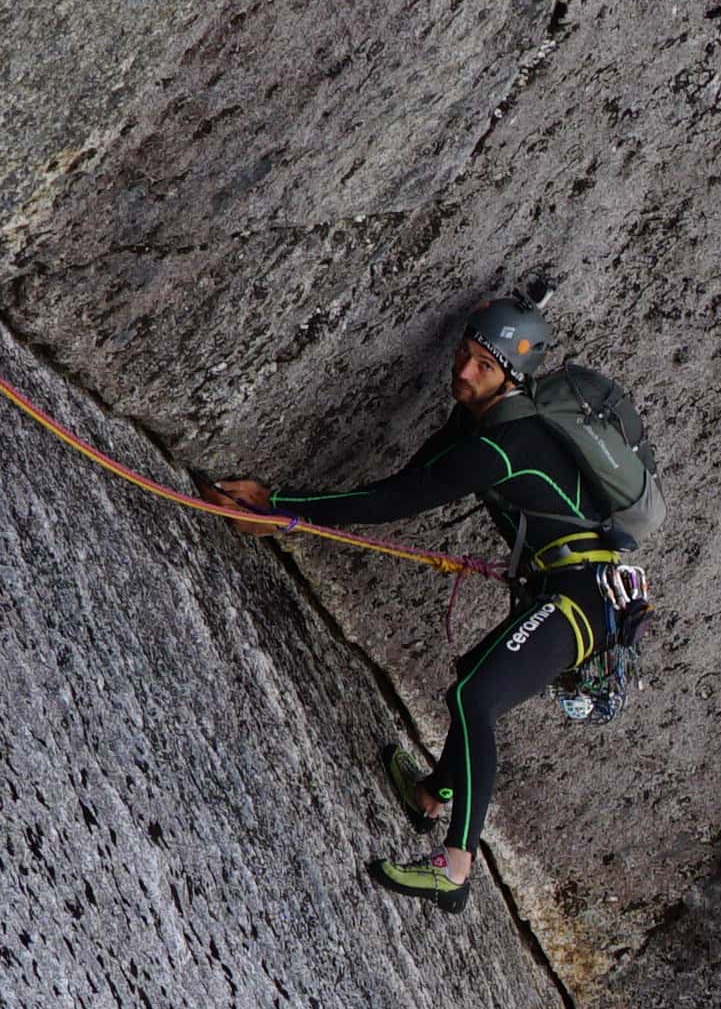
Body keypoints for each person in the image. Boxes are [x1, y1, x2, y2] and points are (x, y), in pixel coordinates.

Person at [208, 304, 653, 905]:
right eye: (464, 356)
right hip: (567, 591)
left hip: (583, 599)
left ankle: (455, 866)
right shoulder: (475, 423)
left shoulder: (504, 445)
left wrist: (281, 504)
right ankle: (427, 796)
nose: (465, 373)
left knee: (475, 697)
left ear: (511, 378)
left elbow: (398, 499)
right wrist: (290, 513)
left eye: (483, 366)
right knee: (474, 678)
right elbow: (404, 482)